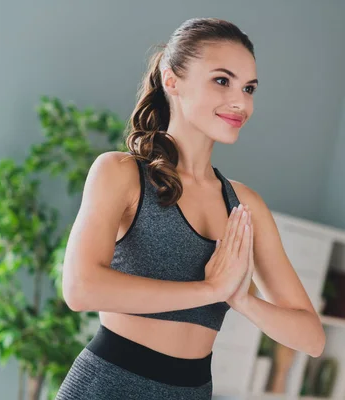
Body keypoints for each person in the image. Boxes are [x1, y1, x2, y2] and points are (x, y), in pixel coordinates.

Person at [56, 17, 324, 400]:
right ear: (172, 81)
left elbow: (311, 338)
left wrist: (240, 298)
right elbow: (80, 289)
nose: (240, 102)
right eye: (222, 80)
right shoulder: (120, 173)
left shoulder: (245, 205)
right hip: (108, 385)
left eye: (249, 88)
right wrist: (210, 288)